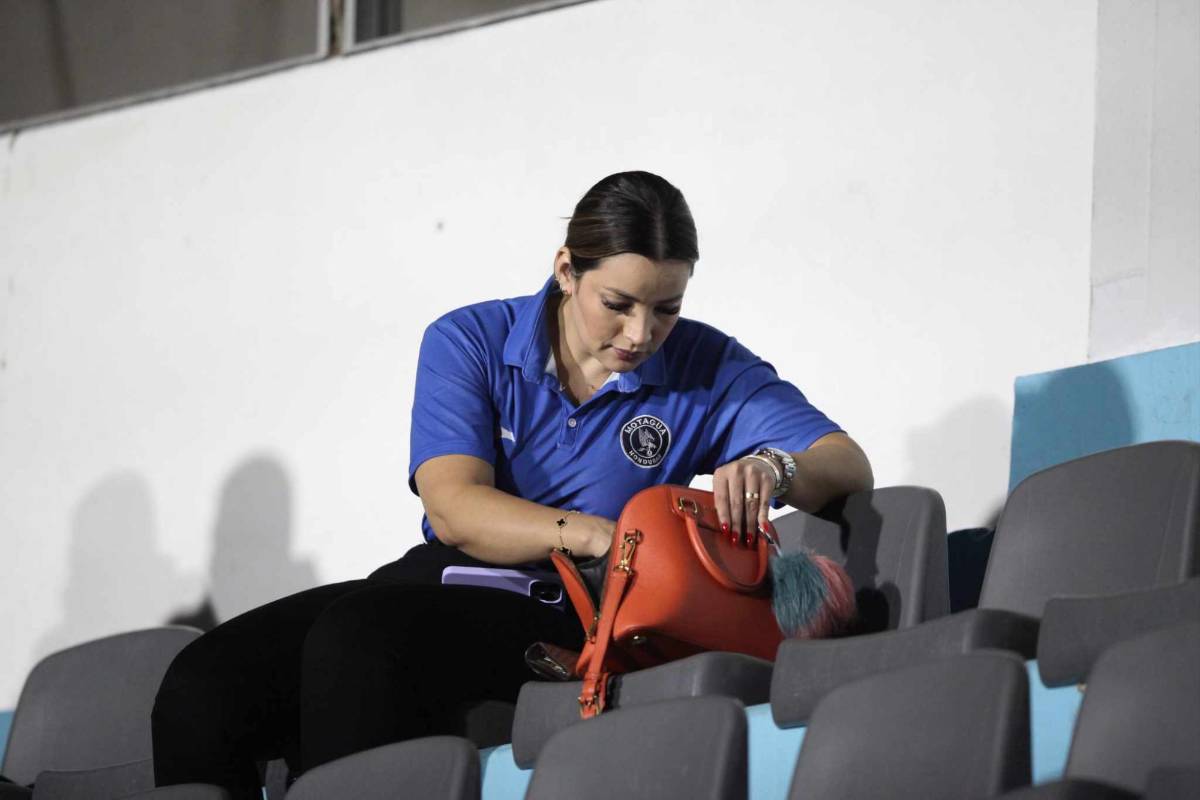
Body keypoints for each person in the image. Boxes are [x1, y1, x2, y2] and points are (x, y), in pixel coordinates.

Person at [151, 171, 872, 797]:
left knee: (361, 641)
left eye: (667, 308)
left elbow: (846, 463)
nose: (641, 332)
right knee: (200, 684)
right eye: (618, 303)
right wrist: (607, 536)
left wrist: (776, 467)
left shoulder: (706, 367)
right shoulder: (469, 339)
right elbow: (455, 508)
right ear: (566, 271)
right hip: (450, 575)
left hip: (577, 607)